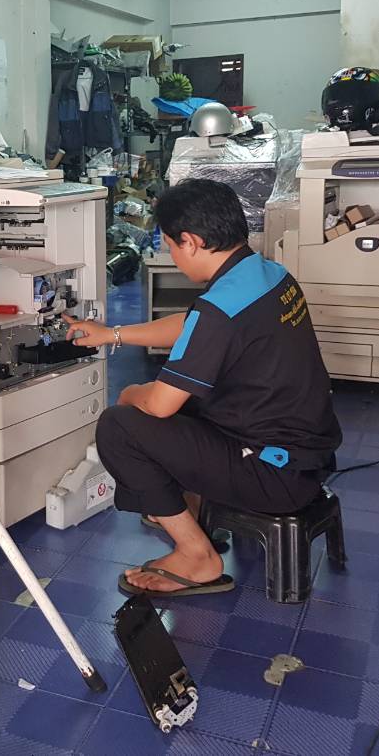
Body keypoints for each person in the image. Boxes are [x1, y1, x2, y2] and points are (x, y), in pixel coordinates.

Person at [63, 179, 341, 597]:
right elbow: (192, 325)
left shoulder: (219, 310)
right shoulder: (267, 275)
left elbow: (159, 405)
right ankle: (189, 506)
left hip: (274, 475)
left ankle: (197, 556)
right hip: (307, 454)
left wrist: (131, 393)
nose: (172, 255)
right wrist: (111, 334)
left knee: (120, 426)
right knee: (191, 401)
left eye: (170, 245)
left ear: (191, 242)